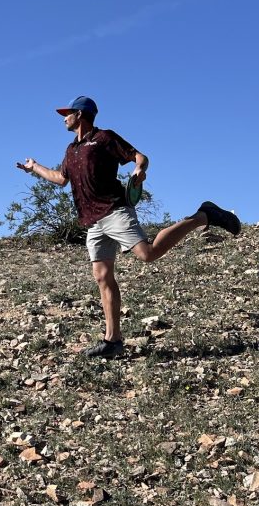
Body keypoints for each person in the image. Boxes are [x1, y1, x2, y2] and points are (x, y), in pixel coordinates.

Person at [18, 95, 240, 359]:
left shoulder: (104, 138)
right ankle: (113, 341)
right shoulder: (71, 150)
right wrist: (35, 168)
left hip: (115, 210)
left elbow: (140, 156)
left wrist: (138, 170)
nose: (63, 117)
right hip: (93, 221)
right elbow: (60, 179)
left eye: (68, 113)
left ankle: (204, 215)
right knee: (102, 277)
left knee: (148, 253)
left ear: (80, 115)